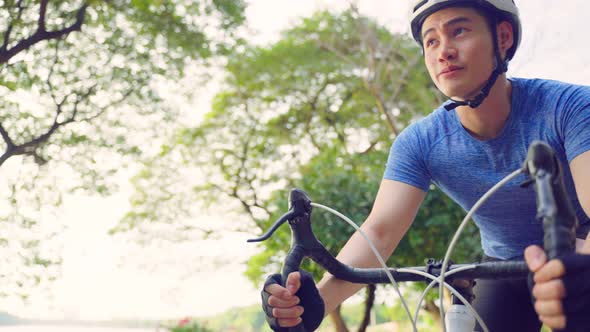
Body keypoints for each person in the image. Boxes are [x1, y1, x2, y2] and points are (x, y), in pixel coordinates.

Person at [262, 0, 590, 331]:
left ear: (503, 38)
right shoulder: (419, 142)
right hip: (503, 265)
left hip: (579, 254)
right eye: (431, 40)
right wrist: (314, 305)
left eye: (459, 31)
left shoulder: (570, 108)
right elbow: (379, 232)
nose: (443, 51)